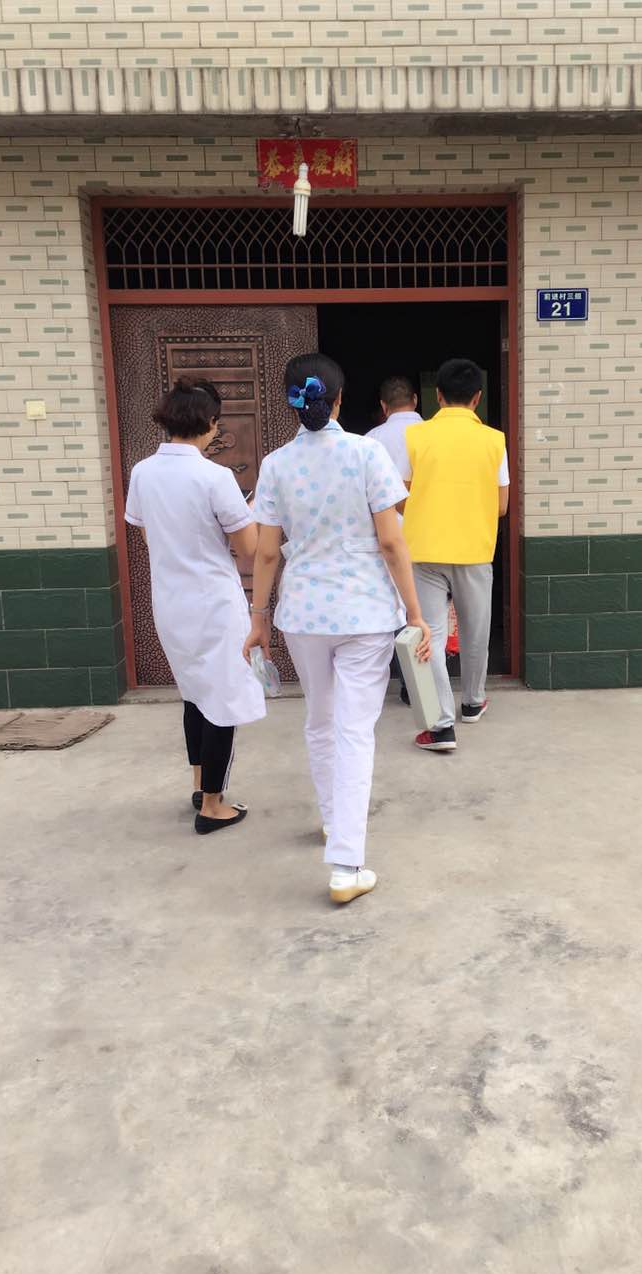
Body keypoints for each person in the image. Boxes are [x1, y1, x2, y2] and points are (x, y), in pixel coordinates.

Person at [243, 353, 431, 905]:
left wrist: (258, 618)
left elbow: (267, 552)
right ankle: (346, 865)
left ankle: (333, 821)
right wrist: (415, 612)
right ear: (341, 398)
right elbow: (392, 541)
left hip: (303, 614)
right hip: (366, 613)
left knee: (320, 721)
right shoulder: (367, 454)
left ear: (290, 402)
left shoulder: (276, 465)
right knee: (354, 731)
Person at [124, 378, 265, 834]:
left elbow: (147, 534)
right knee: (221, 700)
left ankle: (199, 785)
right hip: (213, 603)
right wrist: (252, 512)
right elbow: (249, 548)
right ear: (209, 423)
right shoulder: (215, 477)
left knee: (194, 695)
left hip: (170, 602)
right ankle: (213, 805)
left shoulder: (143, 472)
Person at [401, 357, 509, 752]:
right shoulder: (494, 440)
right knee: (476, 630)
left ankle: (441, 726)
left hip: (424, 549)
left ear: (438, 396)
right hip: (474, 548)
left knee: (428, 634)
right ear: (477, 398)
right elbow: (501, 506)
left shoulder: (415, 437)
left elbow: (401, 497)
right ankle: (473, 702)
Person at [366, 374, 423, 706]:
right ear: (415, 400)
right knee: (426, 609)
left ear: (383, 406)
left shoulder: (370, 441)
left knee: (398, 609)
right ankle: (427, 683)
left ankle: (405, 682)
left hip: (385, 534)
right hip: (428, 534)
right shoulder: (430, 434)